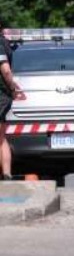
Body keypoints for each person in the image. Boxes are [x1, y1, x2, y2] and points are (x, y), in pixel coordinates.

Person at [0, 20, 18, 180]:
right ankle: (6, 174)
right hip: (4, 95)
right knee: (1, 137)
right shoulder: (5, 43)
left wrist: (13, 87)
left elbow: (5, 70)